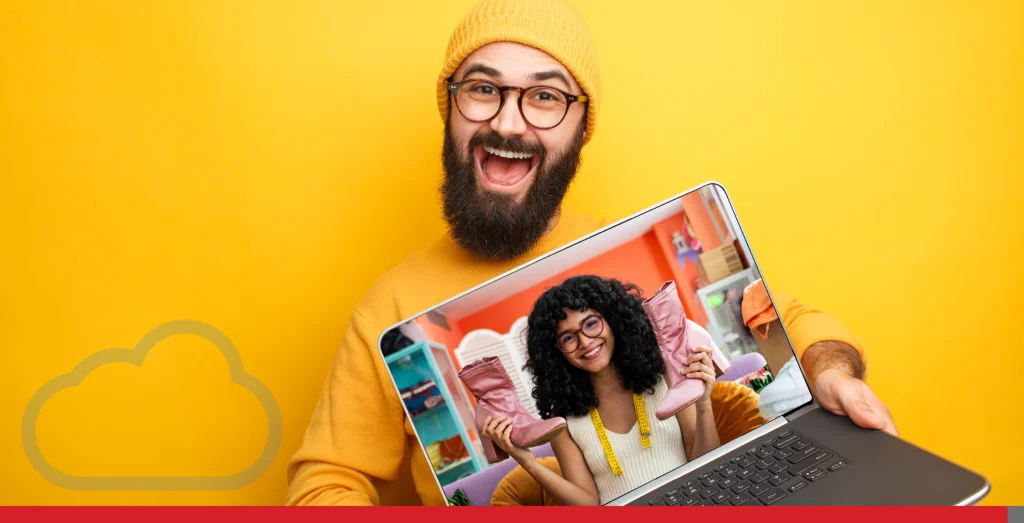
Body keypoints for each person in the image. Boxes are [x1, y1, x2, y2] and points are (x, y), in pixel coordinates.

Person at [285, 0, 896, 506]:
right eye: (482, 89)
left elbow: (790, 318)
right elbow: (328, 480)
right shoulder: (390, 304)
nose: (509, 122)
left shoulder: (616, 277)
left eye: (546, 97)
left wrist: (831, 370)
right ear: (451, 111)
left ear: (581, 127)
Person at [481, 275, 721, 505]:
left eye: (591, 324)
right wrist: (527, 461)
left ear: (614, 320)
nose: (585, 342)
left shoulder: (669, 379)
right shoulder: (562, 419)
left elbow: (706, 464)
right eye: (568, 338)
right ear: (555, 352)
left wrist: (703, 404)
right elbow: (587, 506)